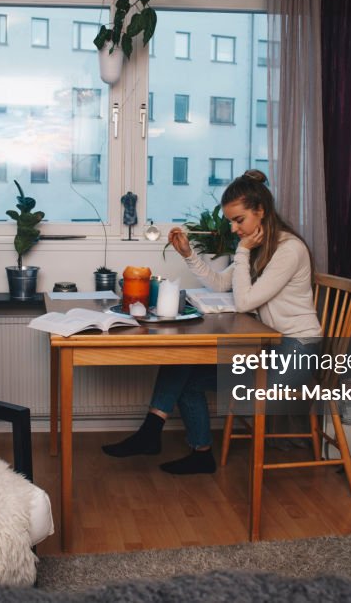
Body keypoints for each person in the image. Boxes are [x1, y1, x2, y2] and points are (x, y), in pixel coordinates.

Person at [102, 170, 322, 474]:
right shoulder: (260, 246)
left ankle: (158, 437)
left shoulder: (288, 250)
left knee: (188, 379)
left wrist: (242, 252)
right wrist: (189, 254)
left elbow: (244, 302)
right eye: (231, 221)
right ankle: (180, 444)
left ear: (261, 211)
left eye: (239, 220)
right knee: (183, 361)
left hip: (297, 352)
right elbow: (220, 284)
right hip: (268, 347)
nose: (233, 228)